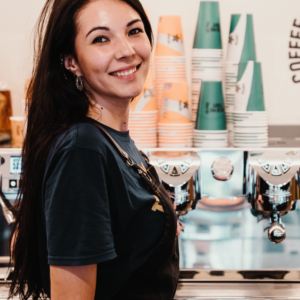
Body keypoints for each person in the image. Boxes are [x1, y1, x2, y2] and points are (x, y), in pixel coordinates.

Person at [9, 0, 182, 299]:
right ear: (70, 61)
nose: (126, 50)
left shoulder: (112, 139)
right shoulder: (82, 150)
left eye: (134, 31)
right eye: (101, 38)